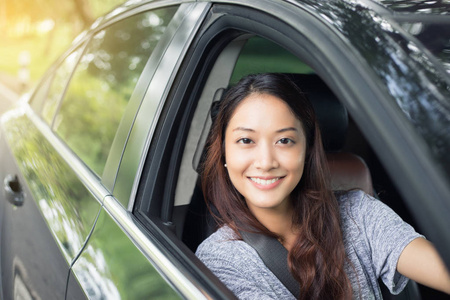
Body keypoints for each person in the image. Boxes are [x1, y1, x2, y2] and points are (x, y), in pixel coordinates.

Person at [195, 73, 450, 299]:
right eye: (246, 140)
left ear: (306, 150)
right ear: (224, 153)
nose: (266, 162)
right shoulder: (219, 260)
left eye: (284, 140)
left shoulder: (358, 214)